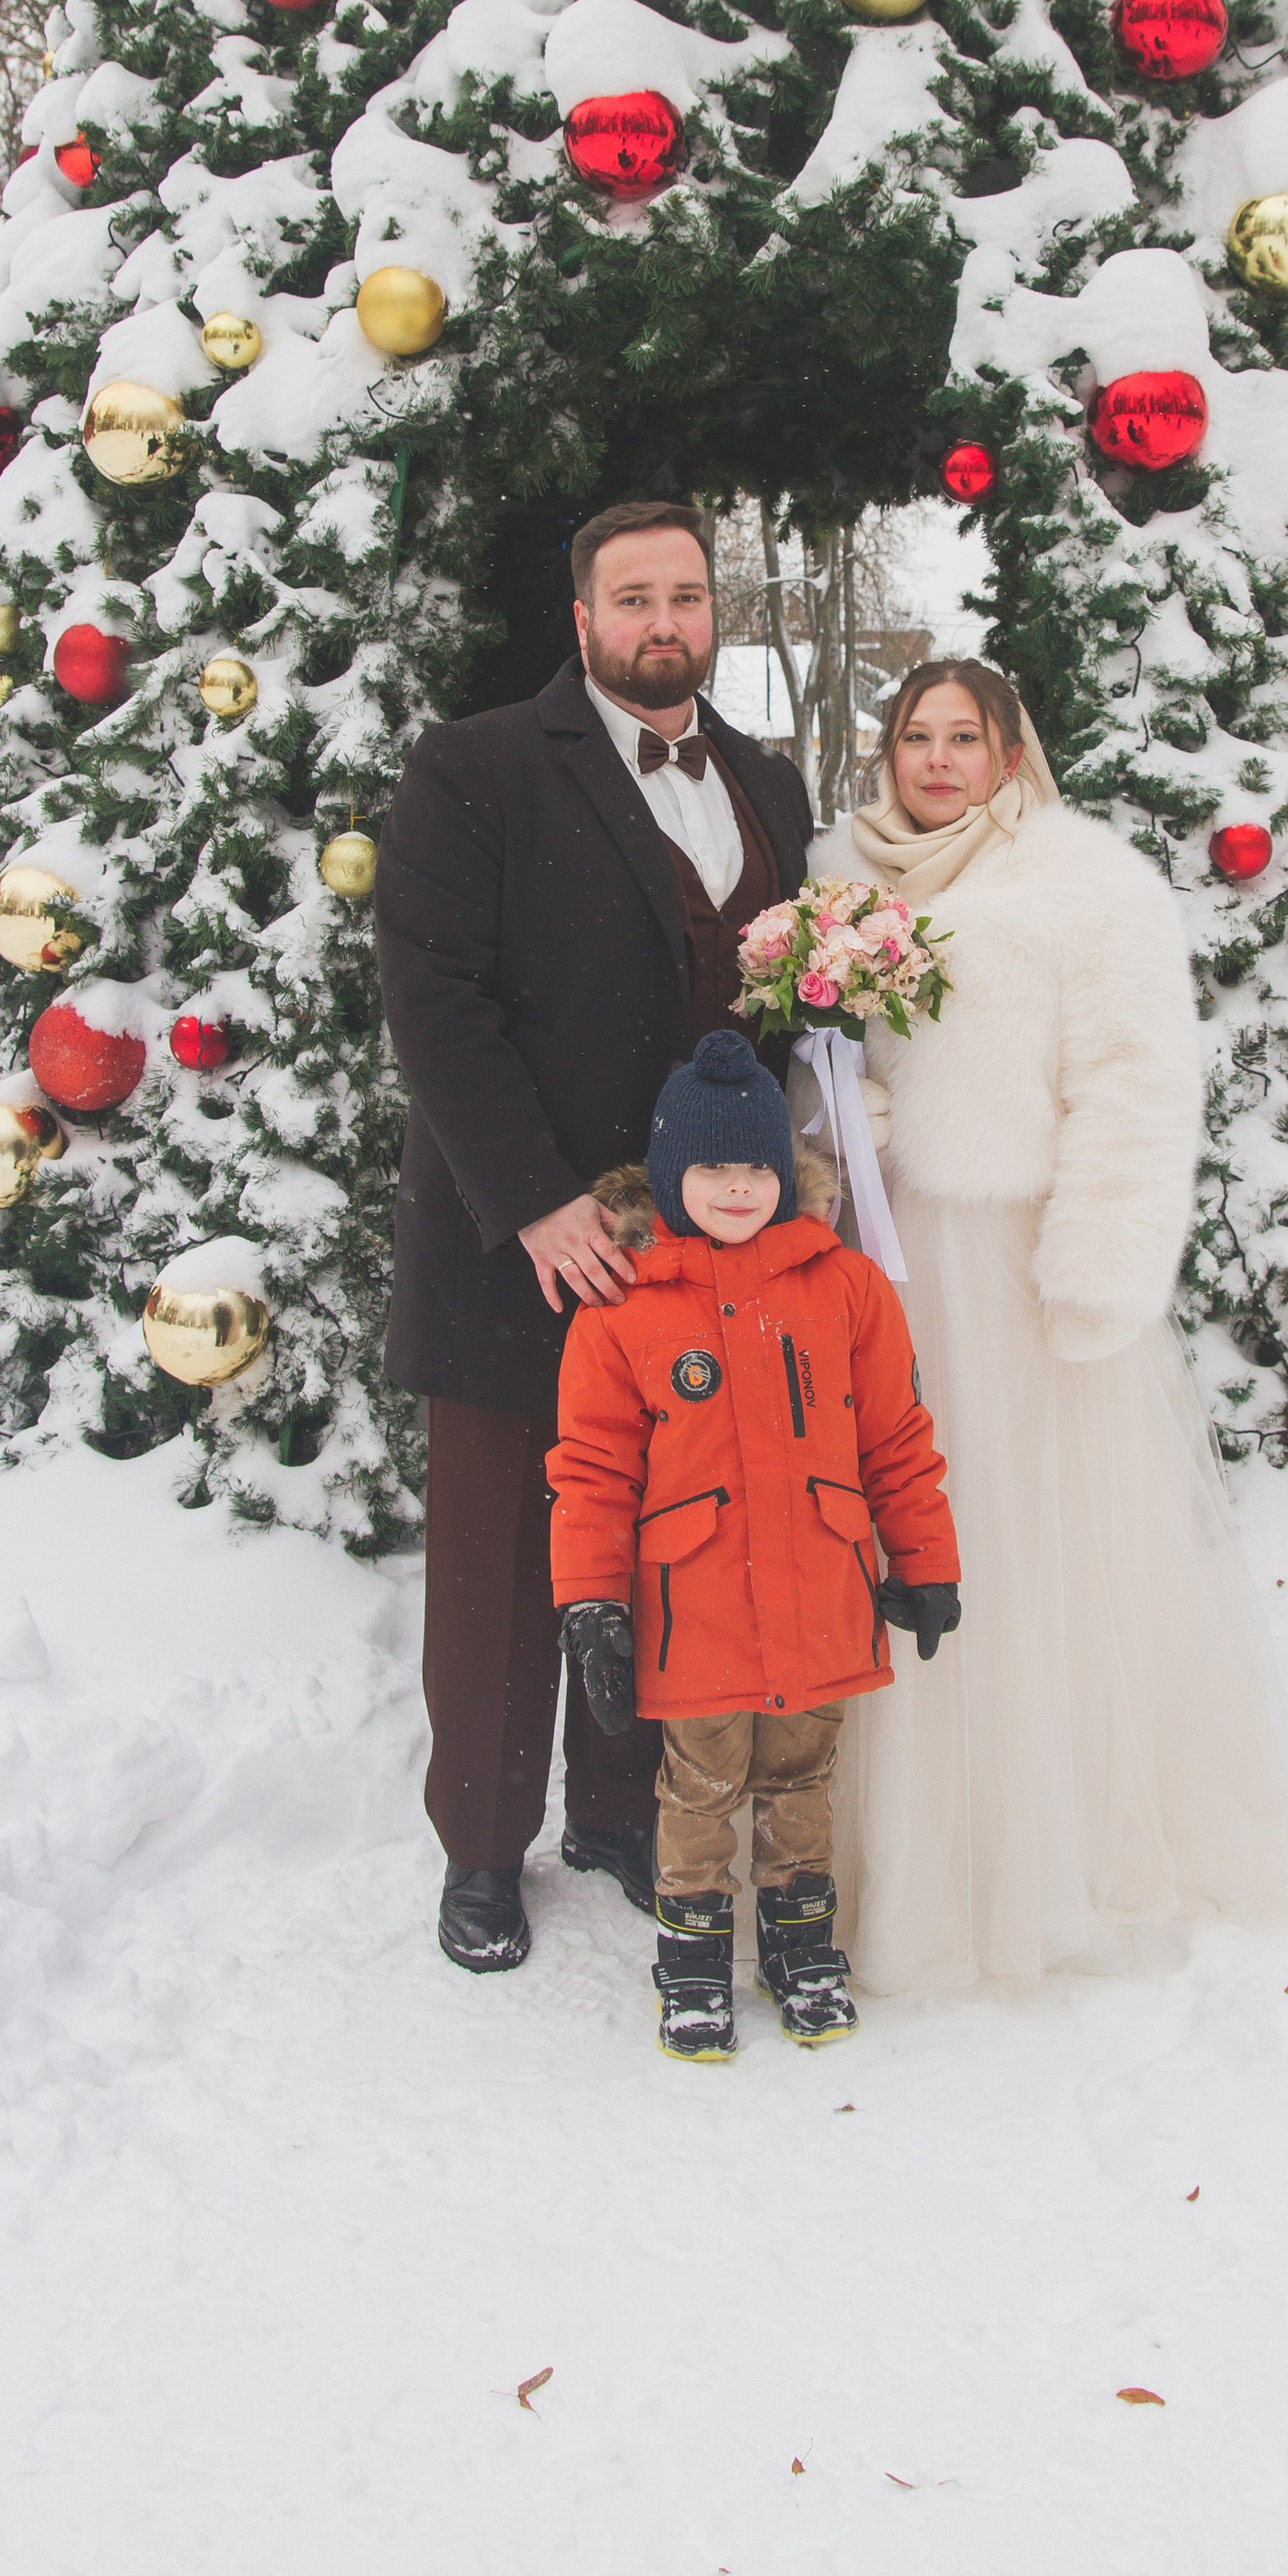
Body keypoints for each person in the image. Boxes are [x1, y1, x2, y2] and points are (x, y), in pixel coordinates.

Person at [819, 659, 1288, 1990]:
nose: (937, 761)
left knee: (1016, 1543)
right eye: (915, 736)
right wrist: (842, 1120)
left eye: (964, 737)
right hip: (879, 1257)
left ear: (1009, 753)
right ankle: (898, 1854)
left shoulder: (1086, 885)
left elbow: (1135, 1080)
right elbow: (817, 1058)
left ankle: (1044, 1852)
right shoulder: (837, 880)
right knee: (888, 1530)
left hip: (1015, 1271)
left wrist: (1097, 1265)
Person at [375, 503, 814, 1973]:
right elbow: (435, 1003)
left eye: (686, 594)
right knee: (503, 1557)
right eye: (634, 598)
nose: (663, 622)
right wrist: (536, 1201)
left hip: (701, 1261)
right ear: (583, 620)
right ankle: (482, 1846)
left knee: (668, 1539)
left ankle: (622, 1816)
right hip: (525, 1250)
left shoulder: (769, 783)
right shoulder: (476, 766)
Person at [546, 1030, 962, 2060]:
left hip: (821, 1592)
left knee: (801, 1781)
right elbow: (592, 1470)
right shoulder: (622, 1310)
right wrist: (591, 1602)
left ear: (786, 1173)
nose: (737, 1189)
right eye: (711, 1168)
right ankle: (692, 1959)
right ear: (669, 1176)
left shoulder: (846, 1288)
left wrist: (926, 1561)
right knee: (698, 1786)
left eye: (756, 1169)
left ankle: (801, 1946)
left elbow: (896, 1438)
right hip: (696, 1609)